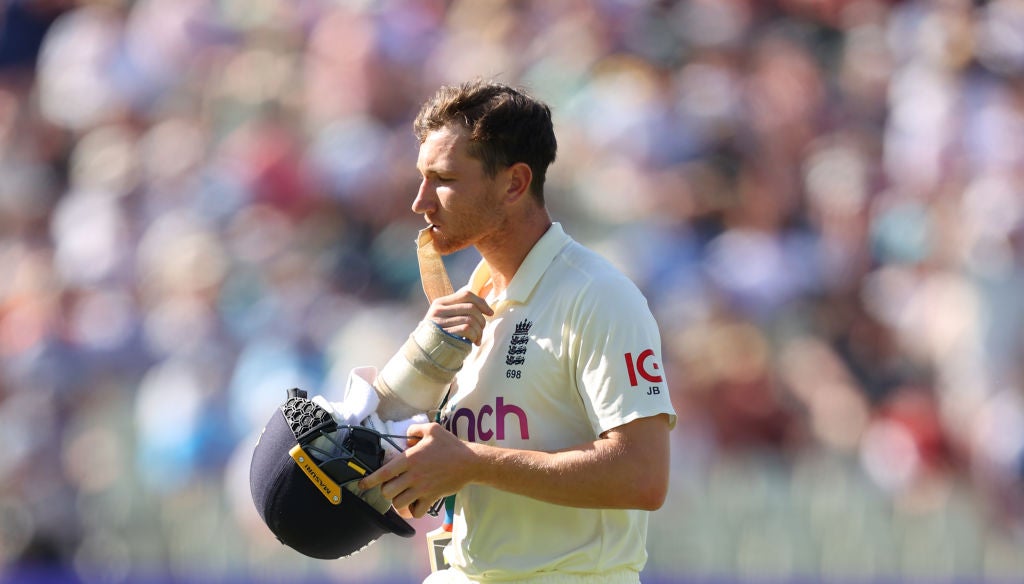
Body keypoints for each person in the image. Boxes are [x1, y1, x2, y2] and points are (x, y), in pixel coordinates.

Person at [358, 79, 677, 584]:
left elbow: (642, 476)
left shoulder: (598, 295)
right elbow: (450, 463)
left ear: (513, 183)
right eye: (422, 177)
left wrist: (474, 464)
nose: (421, 202)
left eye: (443, 179)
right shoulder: (467, 302)